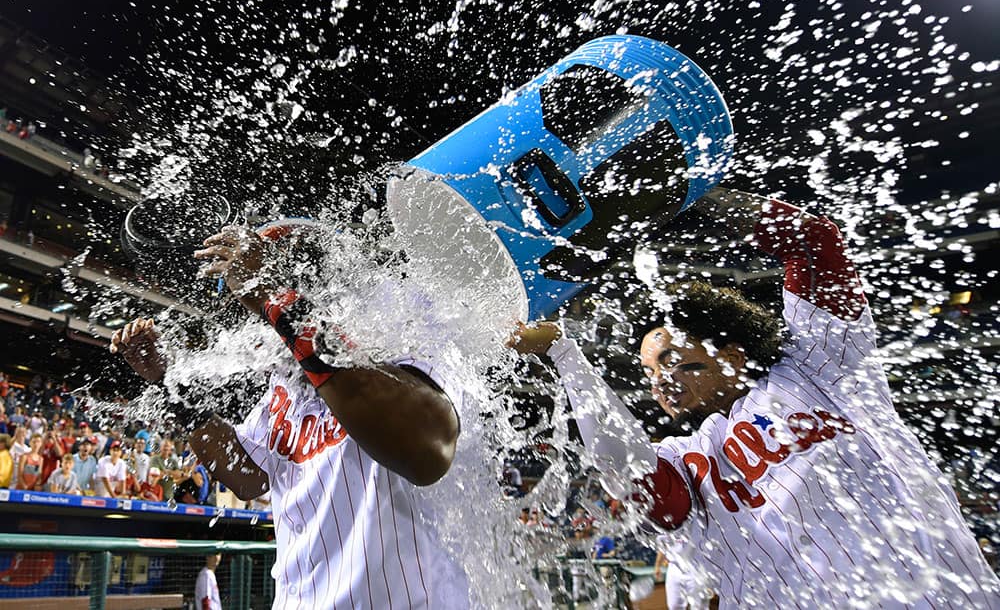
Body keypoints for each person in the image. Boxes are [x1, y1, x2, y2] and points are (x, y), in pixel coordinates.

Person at [511, 189, 1000, 607]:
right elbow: (630, 472)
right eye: (648, 370)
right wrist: (564, 353)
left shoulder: (819, 368)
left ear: (731, 354)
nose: (658, 380)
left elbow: (813, 242)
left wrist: (691, 196)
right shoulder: (686, 459)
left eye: (670, 359)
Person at [111, 219, 470, 608]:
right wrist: (168, 383)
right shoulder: (285, 384)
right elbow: (249, 480)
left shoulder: (408, 337)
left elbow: (426, 455)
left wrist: (273, 298)